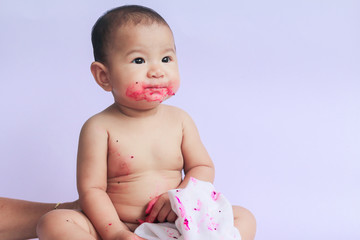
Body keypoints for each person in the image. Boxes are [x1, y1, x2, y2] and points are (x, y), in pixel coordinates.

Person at [16, 5, 254, 240]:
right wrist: (116, 232)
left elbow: (202, 167)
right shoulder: (99, 127)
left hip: (177, 224)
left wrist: (181, 196)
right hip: (118, 226)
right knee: (54, 222)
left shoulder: (180, 120)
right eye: (139, 60)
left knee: (244, 217)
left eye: (166, 58)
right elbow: (92, 191)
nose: (157, 71)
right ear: (104, 76)